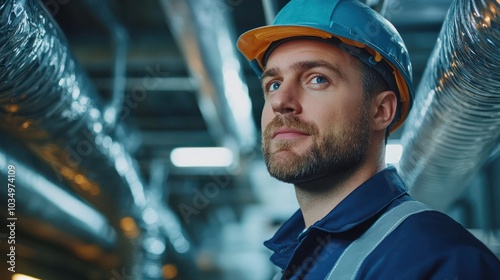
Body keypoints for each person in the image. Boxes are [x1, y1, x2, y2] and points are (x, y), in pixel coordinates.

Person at [237, 0, 500, 279]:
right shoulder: (294, 261)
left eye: (317, 79)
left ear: (381, 111)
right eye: (273, 84)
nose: (280, 101)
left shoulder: (440, 262)